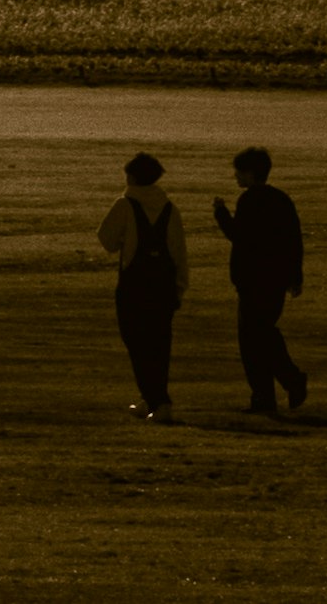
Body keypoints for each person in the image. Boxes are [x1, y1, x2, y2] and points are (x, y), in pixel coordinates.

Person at [212, 147, 310, 416]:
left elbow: (238, 235)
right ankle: (274, 391)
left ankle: (280, 386)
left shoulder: (249, 201)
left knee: (254, 339)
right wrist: (295, 276)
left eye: (239, 172)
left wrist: (221, 213)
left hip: (252, 280)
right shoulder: (281, 200)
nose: (235, 177)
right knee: (263, 333)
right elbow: (294, 240)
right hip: (275, 279)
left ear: (250, 173)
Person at [98, 152, 190, 420]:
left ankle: (156, 399)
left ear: (132, 177)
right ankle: (154, 399)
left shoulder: (125, 205)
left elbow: (107, 240)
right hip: (163, 287)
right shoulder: (170, 209)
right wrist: (179, 289)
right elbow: (178, 253)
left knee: (136, 343)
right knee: (160, 344)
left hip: (133, 286)